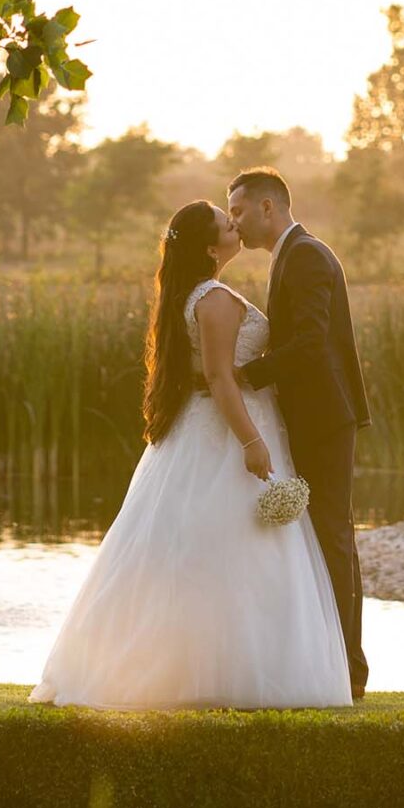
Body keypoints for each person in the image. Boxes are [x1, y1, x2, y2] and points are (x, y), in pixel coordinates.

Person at [28, 199, 351, 710]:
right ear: (209, 246)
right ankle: (223, 673)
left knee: (208, 547)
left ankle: (214, 668)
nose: (235, 225)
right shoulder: (215, 299)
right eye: (227, 223)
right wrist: (252, 441)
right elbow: (222, 377)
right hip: (229, 433)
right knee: (234, 548)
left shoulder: (195, 295)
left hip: (211, 428)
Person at [227, 166, 372, 698]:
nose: (235, 223)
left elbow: (310, 343)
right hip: (311, 415)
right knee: (323, 537)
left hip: (324, 418)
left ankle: (348, 669)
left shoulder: (307, 255)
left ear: (269, 207)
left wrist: (247, 376)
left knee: (332, 538)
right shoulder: (292, 254)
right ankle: (331, 661)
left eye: (239, 210)